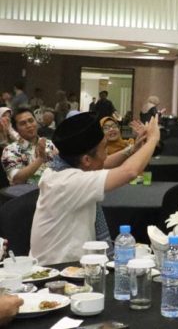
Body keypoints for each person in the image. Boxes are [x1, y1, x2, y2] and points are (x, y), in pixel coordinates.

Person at [30, 112, 159, 265]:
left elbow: (101, 163)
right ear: (86, 159)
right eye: (105, 148)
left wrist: (132, 149)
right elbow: (129, 172)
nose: (106, 154)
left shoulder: (59, 168)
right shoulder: (67, 182)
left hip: (73, 264)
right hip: (57, 269)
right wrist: (153, 139)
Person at [1, 108, 57, 186]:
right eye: (23, 123)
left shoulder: (49, 144)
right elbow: (16, 178)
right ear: (16, 129)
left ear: (36, 122)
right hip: (29, 193)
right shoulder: (11, 150)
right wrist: (40, 158)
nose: (29, 125)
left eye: (31, 121)